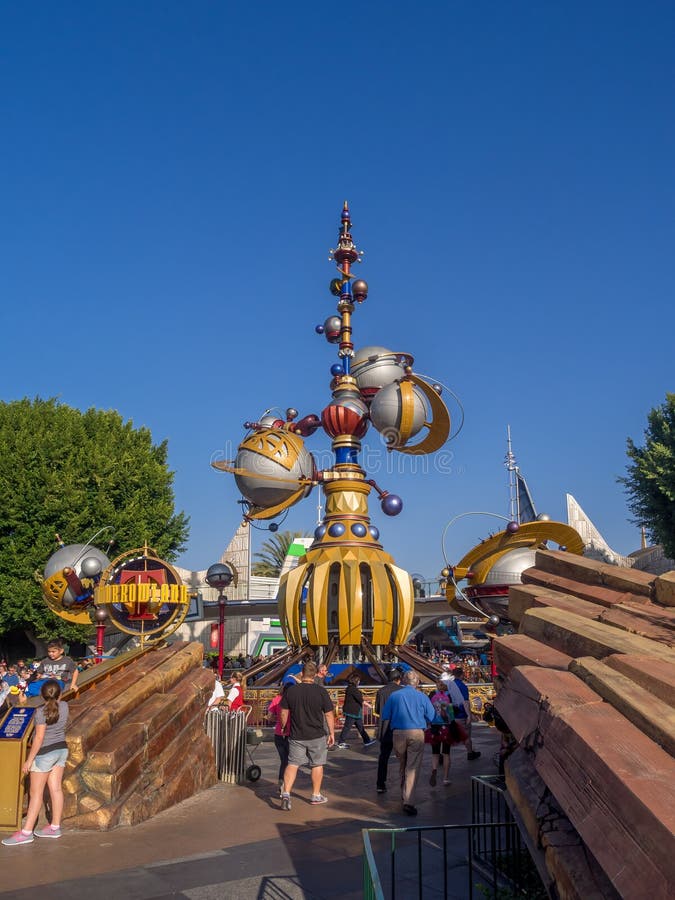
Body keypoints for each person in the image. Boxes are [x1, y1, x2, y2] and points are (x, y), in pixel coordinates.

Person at [2, 680, 69, 845]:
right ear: (59, 693)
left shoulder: (41, 712)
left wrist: (29, 761)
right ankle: (54, 827)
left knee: (36, 794)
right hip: (61, 750)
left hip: (44, 753)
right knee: (56, 789)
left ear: (42, 695)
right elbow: (54, 707)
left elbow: (39, 738)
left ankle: (26, 832)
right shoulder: (65, 706)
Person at [279, 660, 335, 810]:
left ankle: (286, 793)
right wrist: (331, 733)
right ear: (315, 674)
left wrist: (284, 727)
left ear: (302, 674)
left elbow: (284, 712)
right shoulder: (321, 691)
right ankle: (316, 795)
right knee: (317, 764)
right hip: (317, 735)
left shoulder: (292, 691)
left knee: (292, 764)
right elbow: (329, 714)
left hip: (297, 735)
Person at [380, 670, 435, 816]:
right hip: (416, 732)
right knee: (412, 767)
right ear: (417, 682)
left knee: (402, 764)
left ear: (404, 681)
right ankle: (409, 801)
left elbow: (385, 715)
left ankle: (404, 791)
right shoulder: (422, 696)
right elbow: (431, 715)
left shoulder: (394, 696)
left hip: (398, 733)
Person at [375, 668, 403, 793]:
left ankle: (380, 784)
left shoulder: (381, 691)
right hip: (400, 728)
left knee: (383, 757)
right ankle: (405, 784)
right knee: (404, 758)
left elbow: (377, 709)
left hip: (385, 728)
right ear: (399, 679)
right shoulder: (402, 691)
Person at [337, 672, 377, 749]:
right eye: (358, 680)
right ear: (356, 681)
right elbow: (361, 700)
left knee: (360, 727)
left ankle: (367, 740)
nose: (359, 682)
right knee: (347, 727)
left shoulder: (349, 688)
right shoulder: (354, 690)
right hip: (353, 712)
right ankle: (341, 742)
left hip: (353, 711)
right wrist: (369, 705)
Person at [428, 680, 455, 786]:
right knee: (446, 753)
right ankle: (445, 778)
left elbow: (429, 711)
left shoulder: (432, 695)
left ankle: (434, 770)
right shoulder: (448, 696)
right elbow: (451, 714)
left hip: (434, 726)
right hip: (446, 726)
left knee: (435, 753)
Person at [451, 667, 481, 761]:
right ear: (461, 675)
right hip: (461, 714)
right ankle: (470, 753)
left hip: (451, 713)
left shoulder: (450, 685)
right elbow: (465, 701)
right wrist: (469, 715)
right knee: (467, 735)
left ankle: (442, 754)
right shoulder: (462, 686)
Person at [267, 683, 291, 794]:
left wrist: (279, 718)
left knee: (284, 760)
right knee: (291, 761)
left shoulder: (276, 699)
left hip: (279, 733)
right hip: (291, 733)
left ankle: (282, 782)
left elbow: (269, 717)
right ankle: (285, 785)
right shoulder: (293, 700)